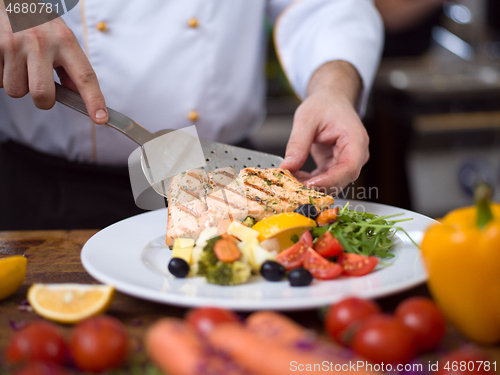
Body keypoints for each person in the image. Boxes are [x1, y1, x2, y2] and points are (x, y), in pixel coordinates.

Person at [0, 0, 383, 230]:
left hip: (226, 181)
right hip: (47, 195)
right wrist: (15, 8)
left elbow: (324, 7)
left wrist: (333, 87)